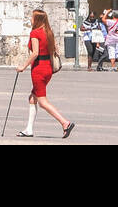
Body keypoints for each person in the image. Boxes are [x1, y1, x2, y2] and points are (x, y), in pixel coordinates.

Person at [15, 9, 74, 139]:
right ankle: (29, 129)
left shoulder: (35, 33)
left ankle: (65, 123)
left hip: (39, 69)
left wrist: (23, 66)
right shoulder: (49, 32)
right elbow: (55, 49)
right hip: (48, 68)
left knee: (42, 101)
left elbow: (35, 53)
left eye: (32, 17)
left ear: (37, 19)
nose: (30, 19)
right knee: (32, 98)